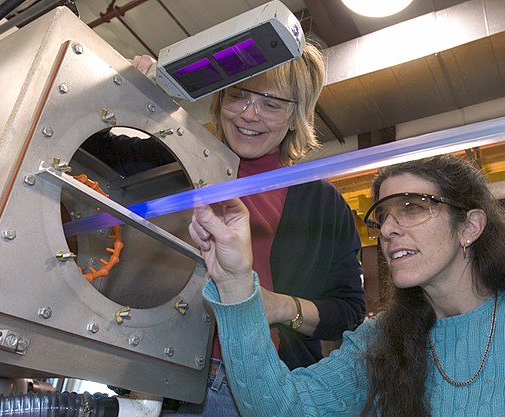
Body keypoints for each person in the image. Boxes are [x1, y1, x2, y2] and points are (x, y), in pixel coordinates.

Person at [190, 153, 505, 417]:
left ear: (470, 226)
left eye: (413, 207)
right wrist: (232, 283)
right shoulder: (379, 342)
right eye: (382, 217)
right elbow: (281, 409)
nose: (389, 229)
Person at [83, 42, 365, 416]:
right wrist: (135, 94)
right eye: (239, 97)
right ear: (219, 100)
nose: (249, 115)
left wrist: (278, 307)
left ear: (297, 116)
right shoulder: (175, 155)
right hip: (152, 377)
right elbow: (91, 144)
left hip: (251, 390)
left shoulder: (324, 205)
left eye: (271, 104)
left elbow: (347, 311)